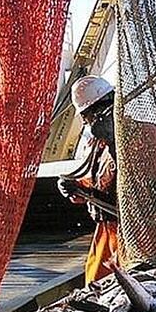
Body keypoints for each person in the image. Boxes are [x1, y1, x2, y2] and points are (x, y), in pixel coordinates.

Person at [58, 75, 119, 284]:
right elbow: (98, 181)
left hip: (142, 229)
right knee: (95, 284)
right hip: (108, 228)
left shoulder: (143, 133)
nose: (86, 122)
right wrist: (76, 187)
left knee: (132, 282)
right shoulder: (96, 143)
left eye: (87, 116)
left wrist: (115, 144)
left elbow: (144, 183)